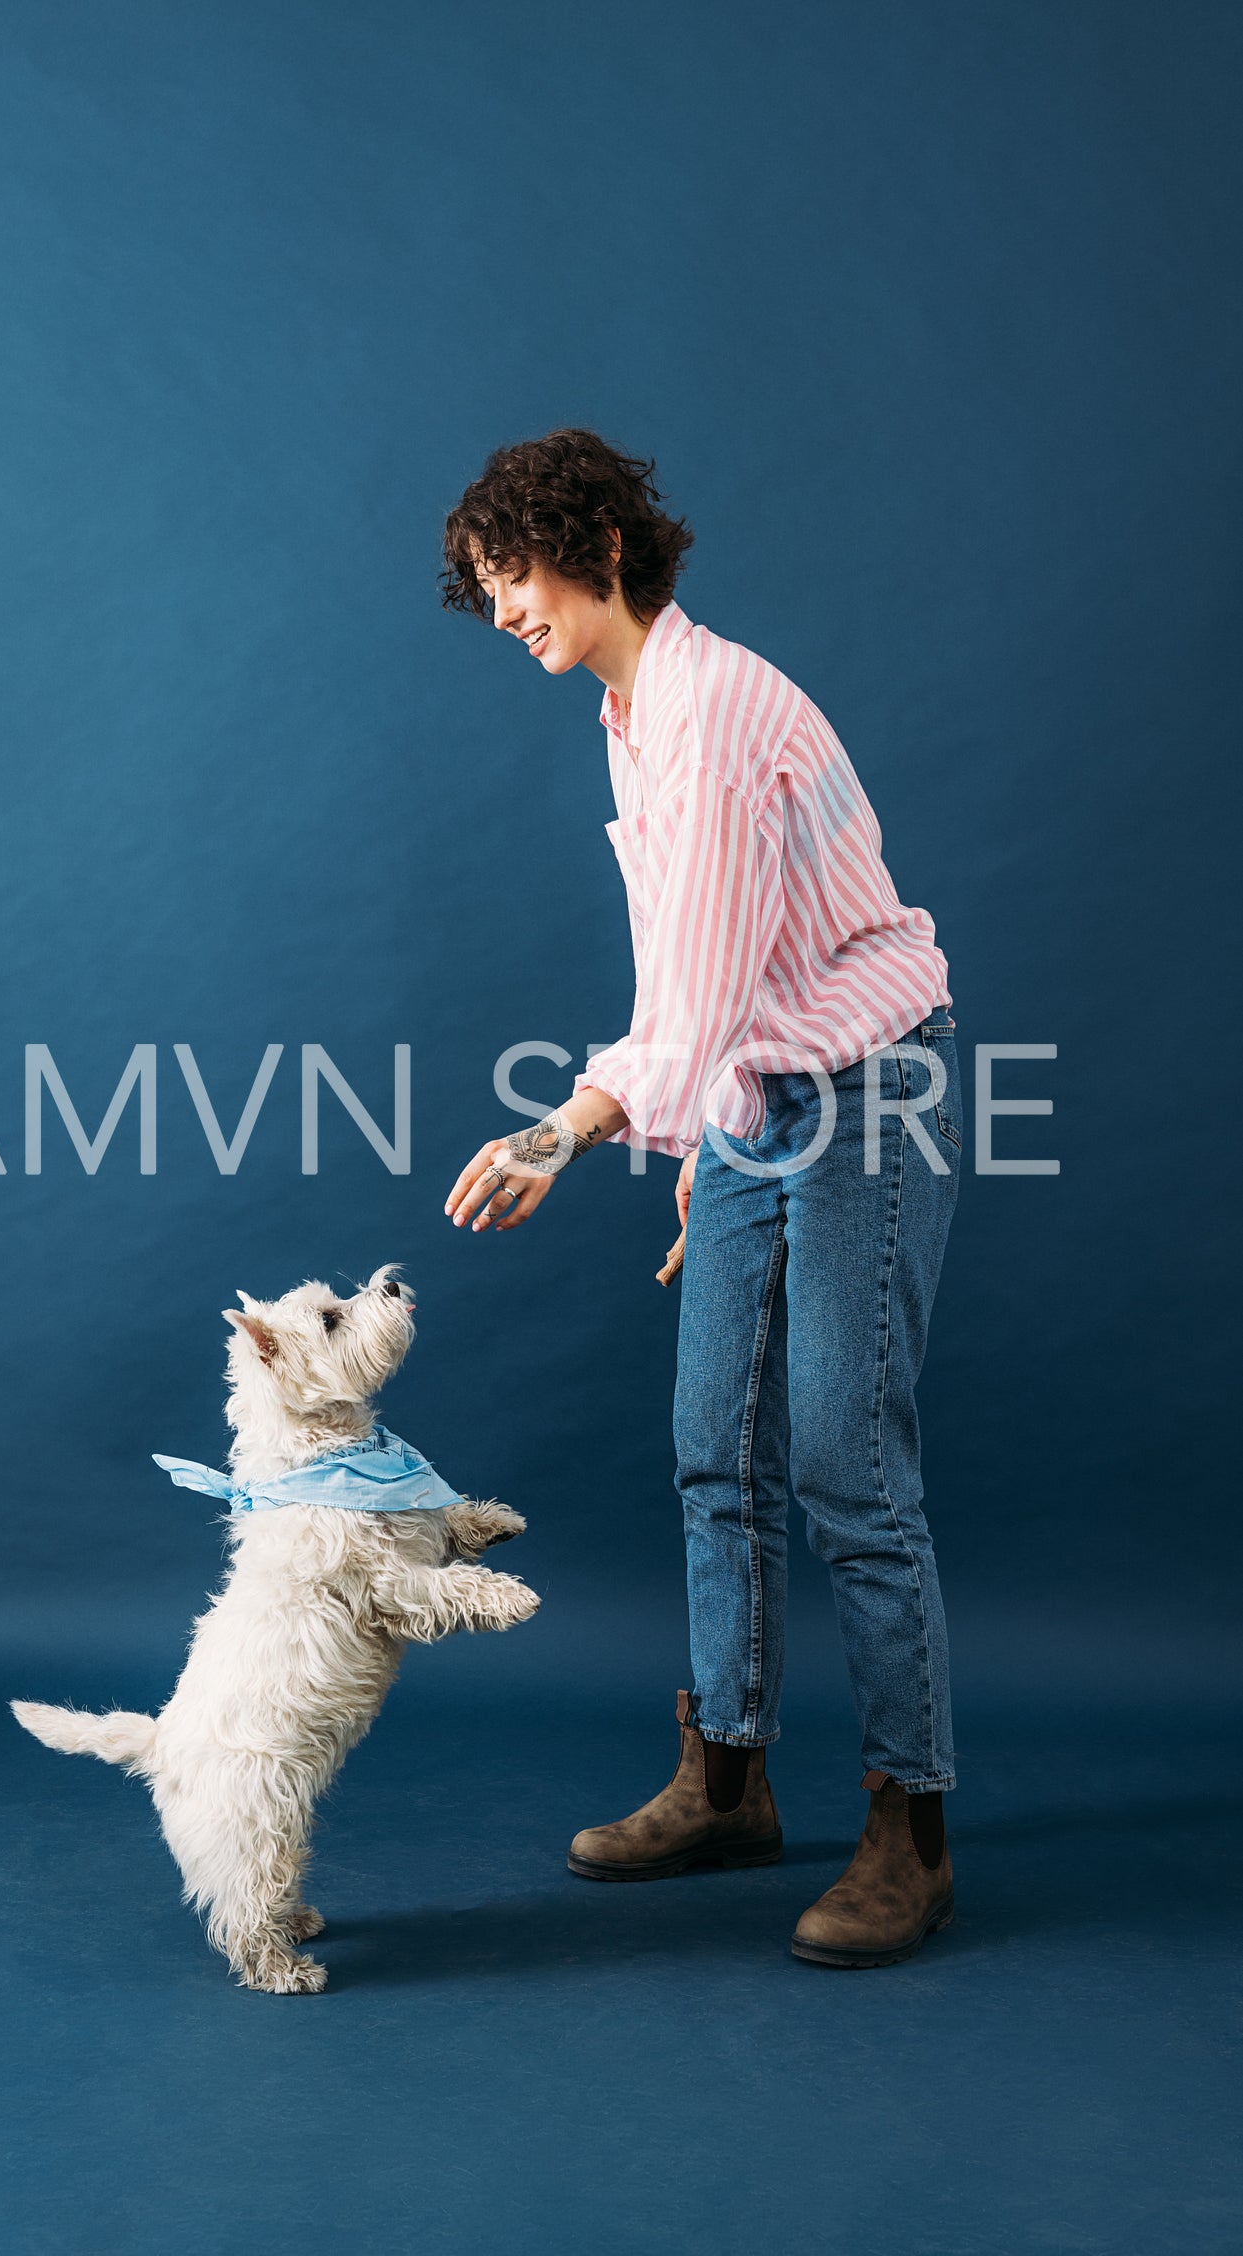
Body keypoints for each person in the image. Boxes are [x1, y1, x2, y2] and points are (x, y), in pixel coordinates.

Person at [440, 429, 961, 1968]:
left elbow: (706, 992)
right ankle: (726, 1780)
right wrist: (696, 1158)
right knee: (708, 1446)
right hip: (754, 1082)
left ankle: (908, 1827)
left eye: (512, 575)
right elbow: (698, 988)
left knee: (842, 1462)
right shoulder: (627, 711)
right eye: (481, 592)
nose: (502, 611)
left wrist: (576, 1124)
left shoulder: (716, 711)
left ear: (597, 548)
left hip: (868, 1079)